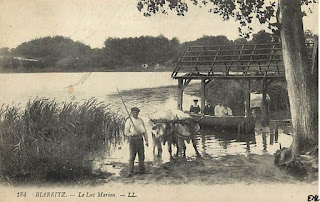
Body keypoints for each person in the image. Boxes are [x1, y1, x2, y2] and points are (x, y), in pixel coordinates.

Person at [124, 107, 149, 177]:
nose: (135, 113)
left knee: (141, 155)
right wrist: (130, 134)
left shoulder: (140, 120)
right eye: (134, 112)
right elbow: (126, 132)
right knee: (132, 156)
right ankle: (130, 171)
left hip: (140, 139)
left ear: (138, 113)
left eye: (136, 112)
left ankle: (142, 170)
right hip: (133, 140)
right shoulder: (129, 121)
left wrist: (146, 140)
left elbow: (144, 131)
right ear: (131, 113)